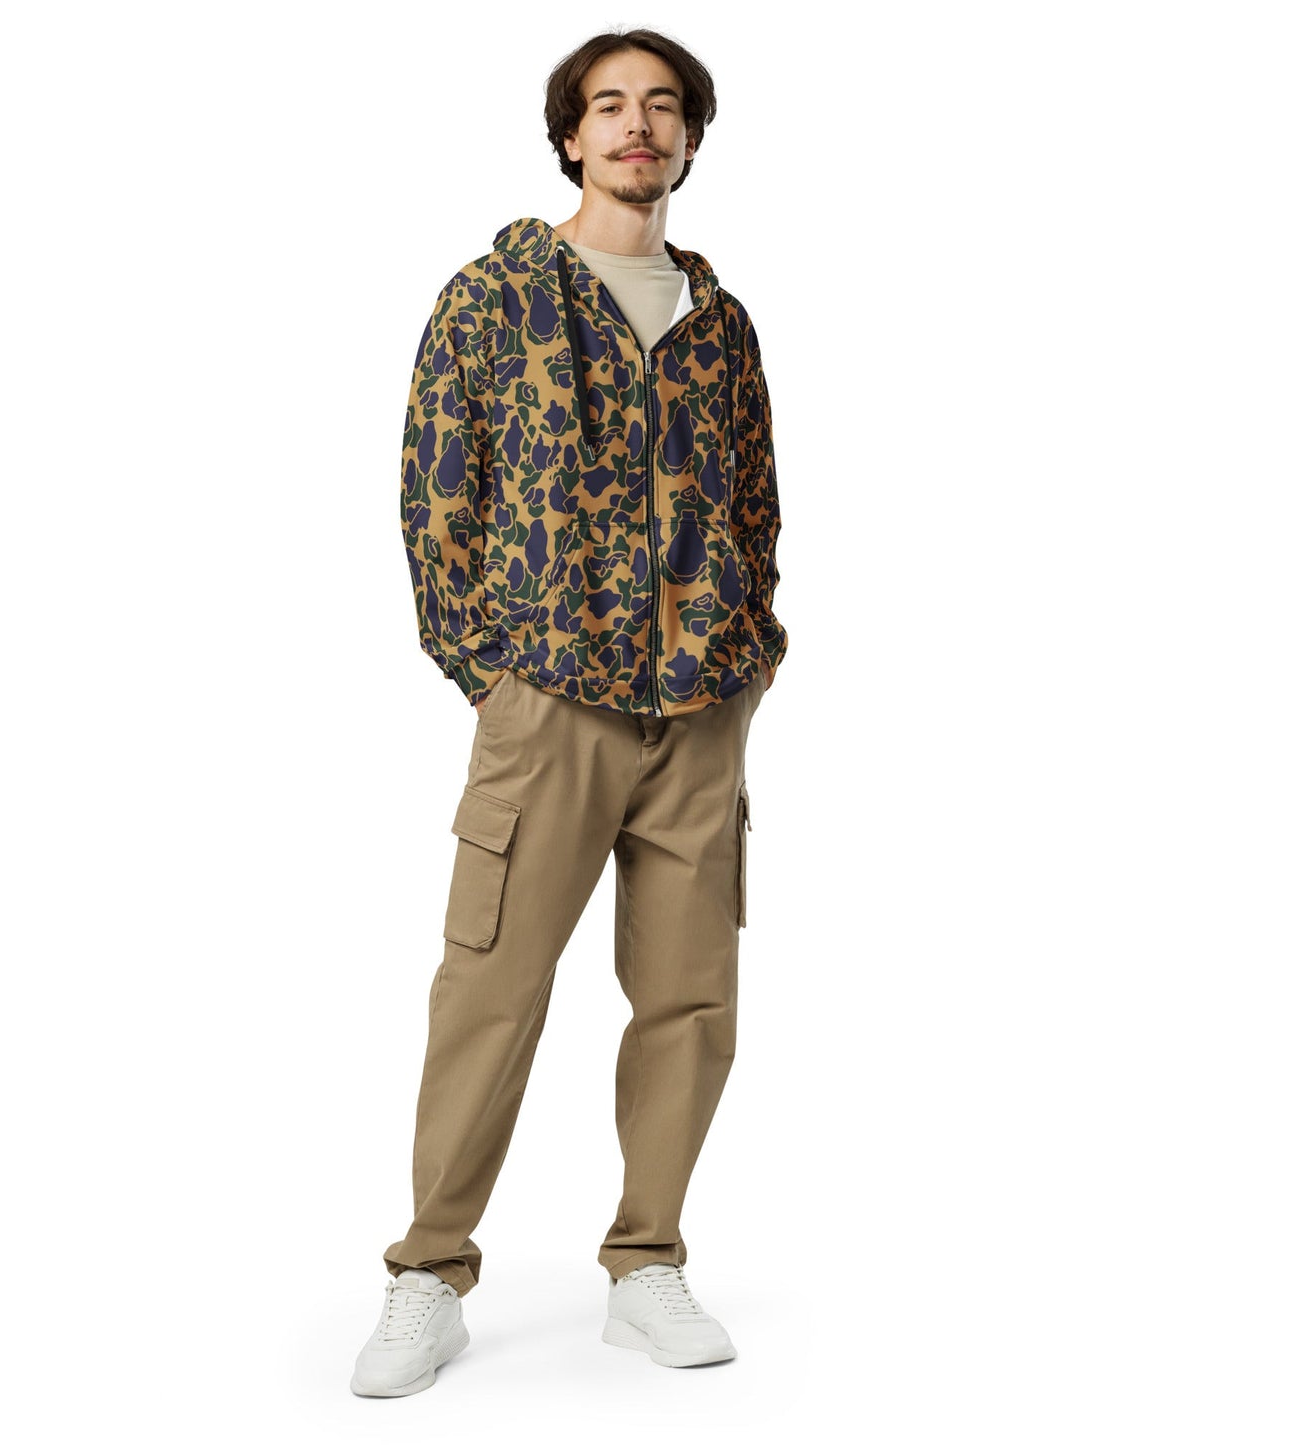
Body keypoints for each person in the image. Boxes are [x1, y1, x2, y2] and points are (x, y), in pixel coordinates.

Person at [352, 25, 788, 1397]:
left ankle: (646, 1259)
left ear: (689, 140)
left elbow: (756, 505)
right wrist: (494, 671)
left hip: (701, 708)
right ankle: (428, 1273)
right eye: (609, 106)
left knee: (690, 996)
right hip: (549, 703)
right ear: (569, 137)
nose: (635, 126)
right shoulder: (494, 298)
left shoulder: (718, 322)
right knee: (491, 989)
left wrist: (749, 646)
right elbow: (436, 498)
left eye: (661, 107)